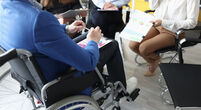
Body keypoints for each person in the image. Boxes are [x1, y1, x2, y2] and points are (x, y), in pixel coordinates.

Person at [0, 0, 134, 96]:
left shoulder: (5, 7)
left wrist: (65, 29)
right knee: (112, 44)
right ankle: (121, 90)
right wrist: (93, 41)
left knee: (87, 34)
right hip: (61, 83)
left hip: (33, 78)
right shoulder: (39, 19)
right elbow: (88, 63)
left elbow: (36, 34)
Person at [129, 0, 200, 76]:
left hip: (173, 31)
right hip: (157, 25)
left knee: (143, 48)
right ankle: (154, 60)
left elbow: (192, 23)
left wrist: (163, 22)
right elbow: (152, 7)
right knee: (133, 45)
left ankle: (153, 61)